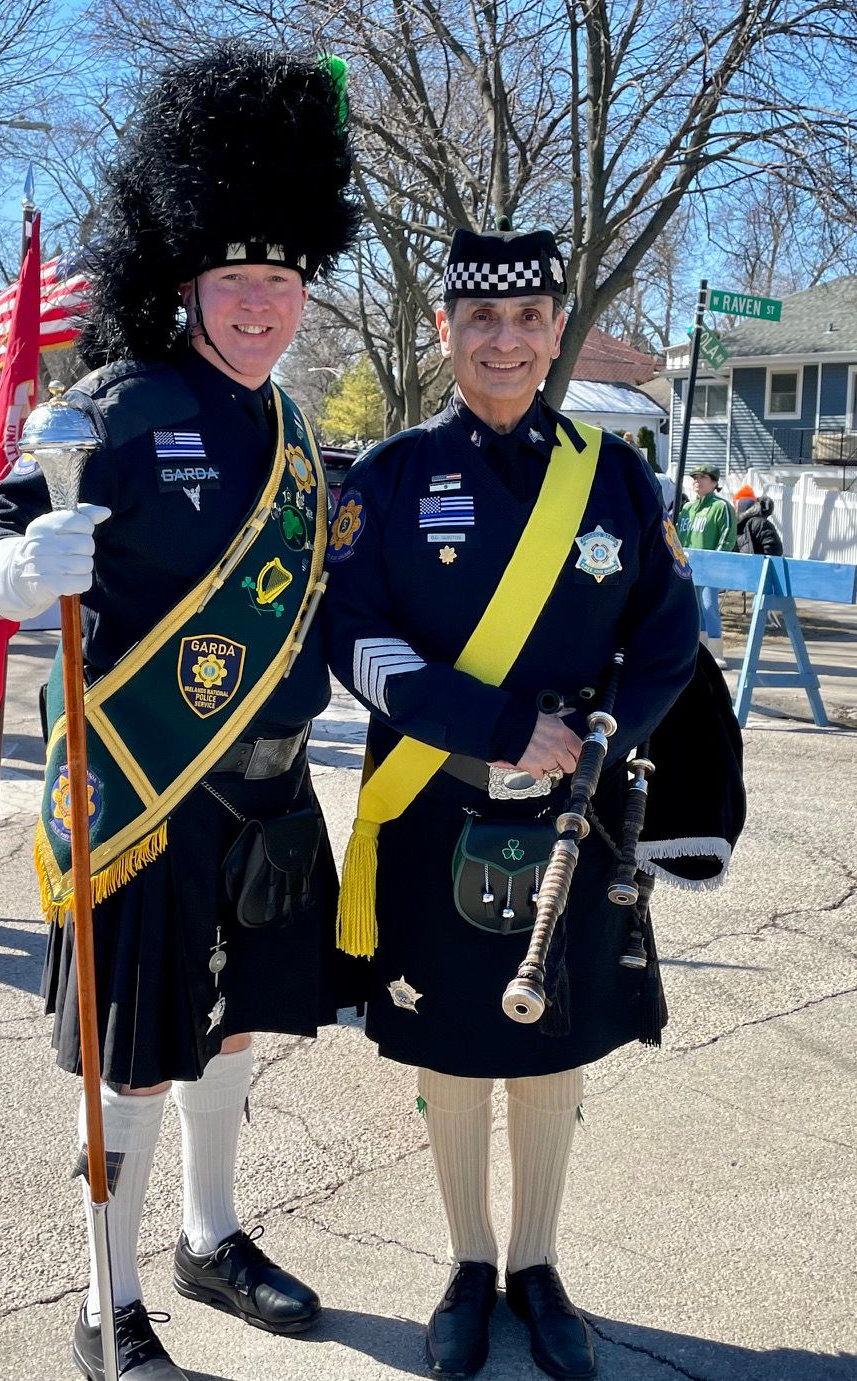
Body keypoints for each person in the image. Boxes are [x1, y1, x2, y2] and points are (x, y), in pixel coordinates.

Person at [0, 44, 361, 1381]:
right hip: (148, 793)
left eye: (281, 281)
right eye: (235, 281)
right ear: (180, 281)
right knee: (129, 1064)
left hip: (272, 793)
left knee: (234, 1031)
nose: (260, 305)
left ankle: (209, 1236)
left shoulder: (298, 434)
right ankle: (104, 1303)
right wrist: (14, 569)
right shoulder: (113, 403)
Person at [323, 225, 700, 1381]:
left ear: (553, 334)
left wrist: (599, 736)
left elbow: (670, 633)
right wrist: (490, 725)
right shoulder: (386, 475)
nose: (504, 340)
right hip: (436, 801)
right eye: (479, 319)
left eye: (527, 319)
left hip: (574, 814)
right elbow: (353, 638)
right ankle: (467, 1262)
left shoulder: (616, 474)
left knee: (549, 1041)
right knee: (453, 1041)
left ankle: (536, 1268)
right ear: (444, 330)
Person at [676, 463, 736, 668]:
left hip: (711, 568)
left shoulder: (721, 507)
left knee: (709, 606)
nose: (697, 481)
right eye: (695, 477)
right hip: (687, 568)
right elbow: (676, 536)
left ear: (714, 482)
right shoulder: (686, 509)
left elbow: (727, 536)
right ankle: (700, 649)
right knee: (694, 609)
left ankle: (716, 652)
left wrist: (716, 561)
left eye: (703, 477)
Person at [733, 484, 784, 557]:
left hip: (757, 566)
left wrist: (760, 564)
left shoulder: (758, 523)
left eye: (735, 504)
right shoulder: (738, 523)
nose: (734, 508)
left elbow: (774, 550)